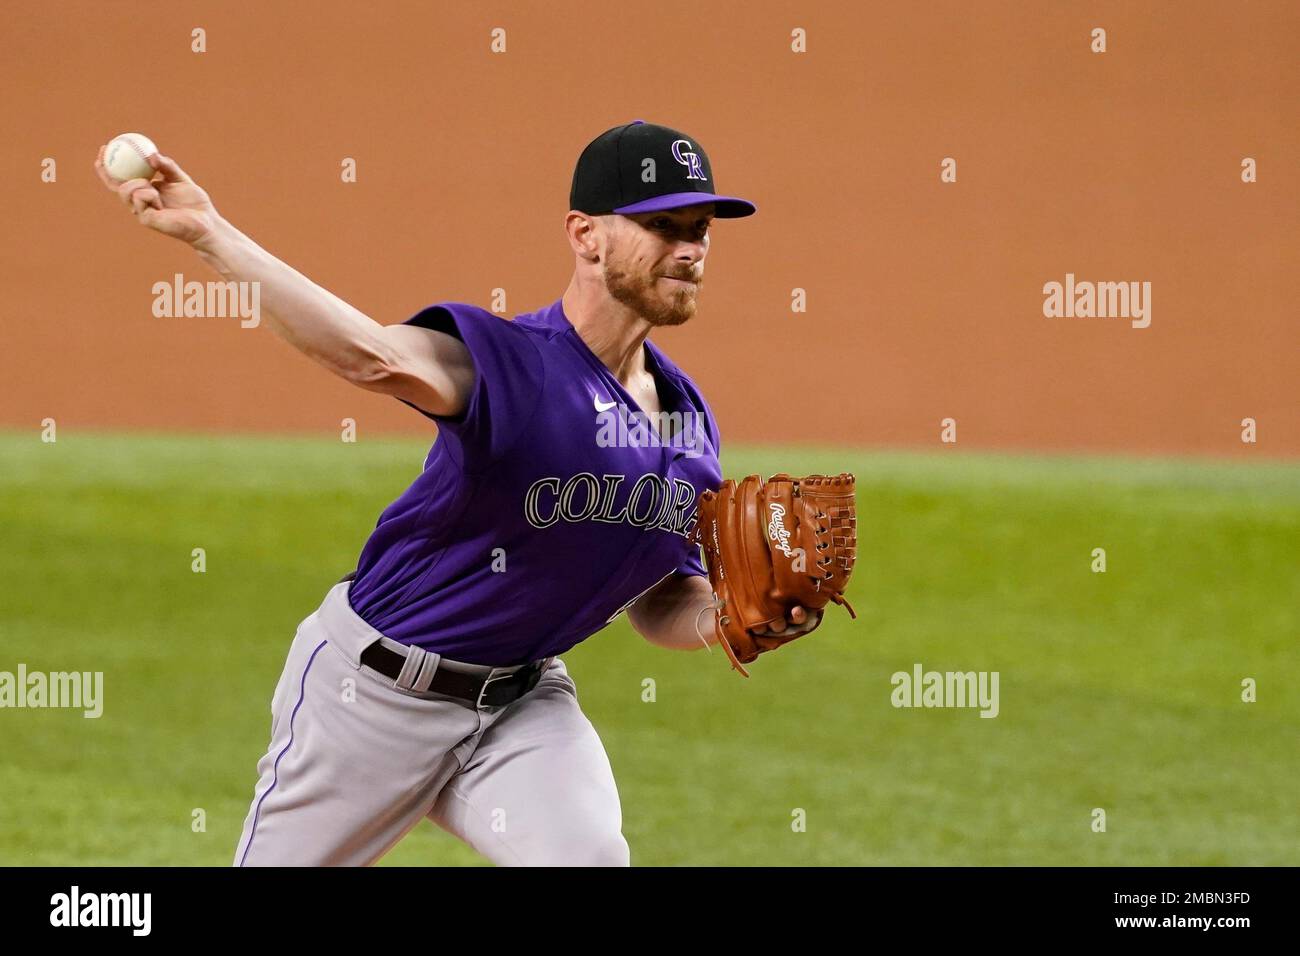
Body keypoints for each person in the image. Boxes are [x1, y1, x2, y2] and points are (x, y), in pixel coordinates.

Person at [95, 119, 821, 866]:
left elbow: (660, 598)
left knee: (590, 856)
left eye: (700, 228)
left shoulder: (690, 424)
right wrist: (210, 234)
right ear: (586, 236)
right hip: (369, 698)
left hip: (521, 707)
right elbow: (371, 357)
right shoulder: (512, 365)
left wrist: (732, 614)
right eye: (661, 225)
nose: (690, 248)